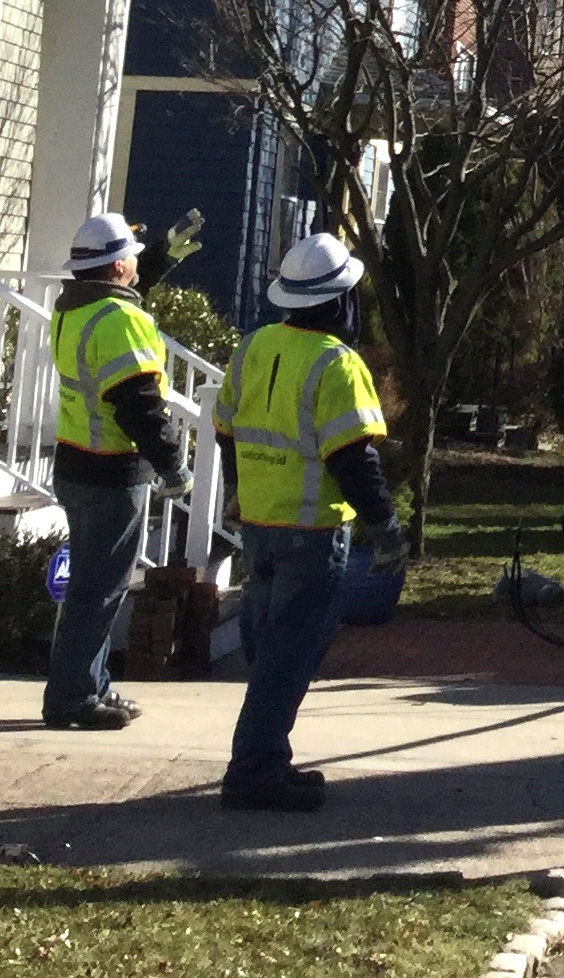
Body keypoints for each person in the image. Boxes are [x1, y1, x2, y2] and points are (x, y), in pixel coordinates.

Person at [211, 232, 407, 812]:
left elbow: (227, 430)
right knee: (289, 654)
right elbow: (354, 458)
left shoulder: (253, 346)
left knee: (267, 646)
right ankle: (253, 772)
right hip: (312, 532)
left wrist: (237, 493)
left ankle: (268, 759)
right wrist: (389, 530)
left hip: (260, 526)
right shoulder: (337, 363)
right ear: (340, 302)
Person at [42, 211, 192, 731]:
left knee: (90, 588)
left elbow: (120, 290)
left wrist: (159, 259)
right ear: (119, 265)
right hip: (111, 472)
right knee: (97, 593)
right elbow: (140, 406)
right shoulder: (121, 321)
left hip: (75, 465)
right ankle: (73, 699)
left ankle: (91, 687)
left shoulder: (72, 309)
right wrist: (173, 465)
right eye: (132, 256)